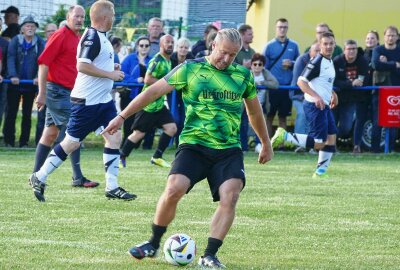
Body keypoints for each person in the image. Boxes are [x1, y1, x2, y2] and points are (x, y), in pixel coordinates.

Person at [103, 28, 273, 269]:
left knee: (231, 195)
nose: (227, 60)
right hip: (194, 145)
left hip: (227, 149)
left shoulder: (243, 76)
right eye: (224, 53)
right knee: (174, 188)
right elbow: (152, 92)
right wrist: (121, 116)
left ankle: (210, 255)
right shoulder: (189, 69)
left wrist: (265, 143)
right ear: (213, 45)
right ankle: (152, 242)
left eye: (233, 55)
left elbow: (254, 111)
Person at [29, 0, 136, 202]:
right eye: (112, 14)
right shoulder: (92, 36)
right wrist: (110, 75)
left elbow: (96, 65)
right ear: (105, 17)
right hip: (86, 102)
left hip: (102, 101)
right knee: (71, 143)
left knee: (114, 137)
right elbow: (82, 65)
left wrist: (112, 71)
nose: (114, 18)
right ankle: (39, 176)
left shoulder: (102, 37)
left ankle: (112, 187)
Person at [32, 5, 99, 188]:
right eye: (76, 16)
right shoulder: (60, 35)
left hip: (69, 92)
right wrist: (42, 93)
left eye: (82, 17)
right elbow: (43, 64)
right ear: (68, 17)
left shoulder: (79, 37)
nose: (80, 20)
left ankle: (35, 175)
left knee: (51, 133)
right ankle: (77, 177)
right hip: (57, 91)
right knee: (74, 130)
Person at [271, 32, 338, 178]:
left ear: (334, 44)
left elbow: (323, 82)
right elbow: (301, 82)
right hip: (315, 106)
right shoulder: (316, 61)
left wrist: (333, 94)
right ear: (320, 45)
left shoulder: (329, 61)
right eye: (325, 44)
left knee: (331, 137)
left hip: (324, 105)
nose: (328, 46)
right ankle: (285, 136)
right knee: (319, 143)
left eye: (331, 43)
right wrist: (316, 96)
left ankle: (320, 172)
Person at [119, 34, 177, 168]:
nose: (170, 45)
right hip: (149, 104)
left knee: (171, 128)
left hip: (159, 104)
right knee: (139, 133)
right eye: (167, 42)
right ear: (161, 45)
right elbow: (147, 79)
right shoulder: (157, 60)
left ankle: (157, 157)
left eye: (172, 42)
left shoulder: (168, 61)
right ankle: (121, 156)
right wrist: (166, 85)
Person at [3, 15, 45, 147]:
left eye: (32, 26)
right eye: (27, 26)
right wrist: (13, 76)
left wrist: (38, 77)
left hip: (30, 85)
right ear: (22, 29)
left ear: (36, 28)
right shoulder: (16, 40)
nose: (30, 28)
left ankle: (24, 142)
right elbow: (10, 58)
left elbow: (42, 61)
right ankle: (9, 141)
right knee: (11, 113)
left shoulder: (39, 42)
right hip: (15, 84)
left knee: (27, 115)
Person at [263, 18, 300, 138]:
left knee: (283, 117)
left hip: (287, 87)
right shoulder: (269, 46)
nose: (282, 29)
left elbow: (299, 64)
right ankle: (267, 143)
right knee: (269, 116)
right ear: (276, 28)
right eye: (280, 27)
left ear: (287, 28)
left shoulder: (294, 45)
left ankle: (281, 143)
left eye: (285, 27)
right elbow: (263, 67)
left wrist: (292, 64)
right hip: (273, 88)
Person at [333, 40, 368, 153]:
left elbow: (364, 79)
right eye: (349, 49)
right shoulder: (337, 61)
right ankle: (330, 146)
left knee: (345, 128)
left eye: (354, 49)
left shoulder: (362, 61)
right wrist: (350, 84)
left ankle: (328, 139)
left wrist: (359, 82)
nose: (352, 51)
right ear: (344, 50)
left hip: (351, 99)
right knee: (332, 122)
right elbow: (334, 81)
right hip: (335, 97)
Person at [371, 25, 400, 153]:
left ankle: (391, 149)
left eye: (393, 35)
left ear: (397, 37)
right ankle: (375, 150)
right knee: (377, 121)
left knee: (393, 122)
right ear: (384, 37)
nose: (390, 38)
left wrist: (385, 63)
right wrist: (394, 64)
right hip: (380, 91)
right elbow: (376, 65)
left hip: (396, 91)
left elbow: (381, 65)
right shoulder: (378, 49)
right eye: (388, 35)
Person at [120, 36, 151, 146]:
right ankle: (125, 144)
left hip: (145, 97)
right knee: (128, 122)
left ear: (149, 47)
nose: (144, 48)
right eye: (141, 45)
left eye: (146, 45)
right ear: (137, 47)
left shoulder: (152, 60)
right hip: (129, 95)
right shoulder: (129, 58)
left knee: (141, 123)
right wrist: (135, 80)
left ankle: (137, 144)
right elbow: (122, 74)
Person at [168, 37, 194, 146]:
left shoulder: (191, 59)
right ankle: (170, 141)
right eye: (181, 47)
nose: (183, 50)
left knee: (185, 117)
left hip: (186, 92)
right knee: (175, 117)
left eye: (186, 48)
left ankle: (180, 142)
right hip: (172, 91)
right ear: (177, 48)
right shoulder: (171, 58)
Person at [250, 53, 279, 153]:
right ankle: (243, 146)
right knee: (244, 125)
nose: (257, 66)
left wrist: (263, 83)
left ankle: (259, 145)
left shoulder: (265, 73)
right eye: (255, 64)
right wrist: (253, 84)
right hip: (247, 105)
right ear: (251, 65)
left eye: (260, 64)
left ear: (263, 66)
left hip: (261, 104)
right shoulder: (247, 74)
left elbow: (275, 84)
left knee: (261, 126)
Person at [291, 41, 320, 138]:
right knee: (303, 113)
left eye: (320, 51)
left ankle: (313, 143)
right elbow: (299, 83)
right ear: (310, 52)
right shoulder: (301, 60)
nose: (318, 53)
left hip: (315, 96)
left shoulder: (323, 61)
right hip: (299, 95)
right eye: (316, 51)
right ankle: (299, 142)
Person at [235, 24, 256, 152]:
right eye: (250, 34)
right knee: (237, 119)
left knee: (246, 120)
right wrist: (243, 66)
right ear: (242, 35)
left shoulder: (253, 52)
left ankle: (244, 146)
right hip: (236, 90)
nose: (252, 36)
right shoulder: (235, 51)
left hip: (247, 90)